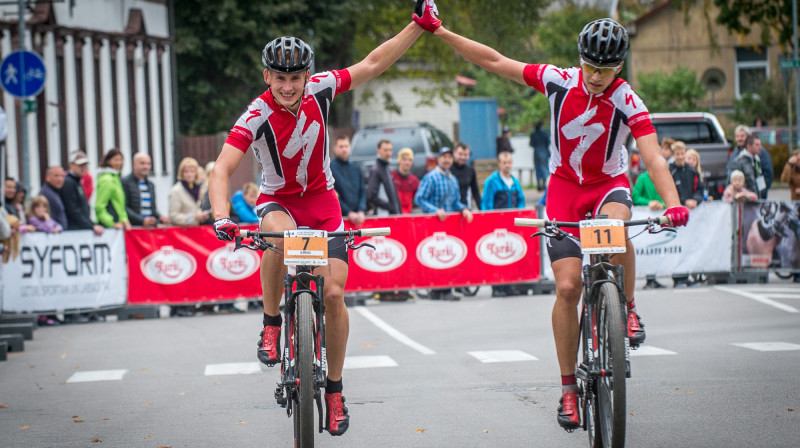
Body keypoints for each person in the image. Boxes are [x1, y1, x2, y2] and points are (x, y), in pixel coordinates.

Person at [420, 10, 688, 431]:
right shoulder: (557, 80)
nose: (596, 76)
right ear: (579, 58)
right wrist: (440, 30)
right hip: (564, 189)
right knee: (567, 287)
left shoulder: (628, 99)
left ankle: (629, 308)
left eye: (606, 69)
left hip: (607, 186)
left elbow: (652, 156)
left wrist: (673, 203)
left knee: (616, 230)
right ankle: (567, 389)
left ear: (619, 66)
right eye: (590, 66)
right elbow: (494, 61)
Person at [208, 16, 429, 436]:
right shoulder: (256, 113)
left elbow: (373, 62)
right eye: (279, 78)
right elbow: (221, 169)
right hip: (280, 200)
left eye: (295, 77)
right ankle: (272, 323)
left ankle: (334, 390)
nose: (287, 86)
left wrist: (418, 25)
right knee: (275, 236)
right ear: (266, 76)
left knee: (334, 293)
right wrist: (221, 216)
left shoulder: (323, 89)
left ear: (307, 75)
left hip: (324, 202)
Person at [414, 146, 473, 301]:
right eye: (443, 157)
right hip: (433, 224)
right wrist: (435, 210)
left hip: (449, 225)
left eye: (449, 157)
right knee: (434, 255)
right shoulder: (431, 177)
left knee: (447, 254)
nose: (446, 160)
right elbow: (419, 198)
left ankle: (446, 288)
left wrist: (464, 209)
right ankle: (437, 289)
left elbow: (455, 202)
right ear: (438, 159)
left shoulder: (452, 179)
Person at [481, 151, 525, 297]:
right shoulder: (492, 181)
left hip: (511, 224)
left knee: (510, 254)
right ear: (499, 164)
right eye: (504, 163)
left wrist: (518, 215)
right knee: (496, 255)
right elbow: (486, 203)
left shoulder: (514, 181)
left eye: (509, 162)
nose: (507, 165)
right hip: (496, 224)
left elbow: (521, 201)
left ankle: (509, 285)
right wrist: (489, 220)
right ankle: (497, 286)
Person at [631, 165, 667, 290]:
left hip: (659, 217)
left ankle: (654, 276)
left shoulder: (662, 178)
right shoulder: (642, 178)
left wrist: (661, 204)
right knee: (648, 246)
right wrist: (648, 203)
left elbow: (667, 195)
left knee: (658, 247)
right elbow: (635, 196)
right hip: (647, 219)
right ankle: (649, 278)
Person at [60, 151, 104, 236]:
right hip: (73, 231)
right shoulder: (68, 182)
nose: (83, 168)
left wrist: (92, 224)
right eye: (80, 165)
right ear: (71, 165)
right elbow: (73, 210)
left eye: (85, 165)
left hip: (79, 229)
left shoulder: (77, 181)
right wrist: (91, 226)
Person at [122, 152, 170, 228]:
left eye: (148, 164)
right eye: (142, 163)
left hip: (149, 229)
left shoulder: (151, 185)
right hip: (133, 229)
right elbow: (123, 207)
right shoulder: (125, 182)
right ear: (134, 164)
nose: (146, 166)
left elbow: (153, 209)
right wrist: (142, 220)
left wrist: (160, 217)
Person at [330, 135, 367, 225]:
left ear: (350, 147)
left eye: (346, 146)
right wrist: (348, 212)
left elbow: (362, 191)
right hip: (340, 219)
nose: (344, 149)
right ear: (334, 148)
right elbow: (332, 194)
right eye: (341, 147)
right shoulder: (330, 168)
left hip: (358, 217)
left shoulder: (355, 167)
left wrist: (361, 210)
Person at [95, 148, 132, 230]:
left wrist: (124, 220)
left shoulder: (116, 178)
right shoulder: (107, 179)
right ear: (108, 161)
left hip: (118, 225)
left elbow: (120, 205)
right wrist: (111, 223)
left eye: (120, 160)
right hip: (108, 227)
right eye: (115, 160)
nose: (119, 163)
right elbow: (99, 206)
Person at [169, 157, 209, 226]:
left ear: (196, 173)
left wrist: (202, 216)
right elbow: (173, 216)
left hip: (195, 230)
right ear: (182, 173)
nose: (189, 174)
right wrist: (193, 217)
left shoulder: (196, 189)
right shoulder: (176, 190)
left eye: (192, 171)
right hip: (181, 232)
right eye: (186, 172)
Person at [366, 139, 402, 215]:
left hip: (393, 215)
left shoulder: (386, 168)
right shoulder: (376, 170)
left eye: (390, 150)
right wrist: (390, 207)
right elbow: (371, 196)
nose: (389, 153)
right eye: (385, 150)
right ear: (378, 151)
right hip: (384, 216)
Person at [728, 135, 768, 200]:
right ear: (749, 146)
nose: (760, 147)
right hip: (744, 202)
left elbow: (760, 179)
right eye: (757, 145)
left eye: (760, 144)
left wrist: (762, 196)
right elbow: (731, 183)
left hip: (756, 200)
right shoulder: (739, 161)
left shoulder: (757, 160)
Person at [669, 141, 704, 211]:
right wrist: (685, 201)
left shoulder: (693, 171)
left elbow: (699, 189)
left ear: (685, 153)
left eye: (682, 153)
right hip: (677, 209)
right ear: (673, 155)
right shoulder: (670, 172)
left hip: (693, 210)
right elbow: (669, 192)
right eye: (677, 154)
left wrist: (695, 200)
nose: (680, 157)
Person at [451, 142, 481, 210]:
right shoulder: (448, 169)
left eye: (466, 155)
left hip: (465, 209)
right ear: (454, 153)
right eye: (460, 154)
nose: (463, 157)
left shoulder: (470, 170)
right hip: (450, 209)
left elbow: (475, 192)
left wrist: (481, 209)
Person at [391, 147, 420, 214]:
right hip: (394, 215)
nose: (407, 163)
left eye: (410, 160)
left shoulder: (414, 180)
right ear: (399, 161)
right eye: (404, 159)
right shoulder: (391, 176)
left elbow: (418, 200)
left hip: (407, 217)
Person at [39, 166, 68, 230]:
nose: (60, 179)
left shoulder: (56, 192)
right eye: (56, 176)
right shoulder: (47, 194)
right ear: (47, 177)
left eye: (62, 176)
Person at [530, 120, 550, 191]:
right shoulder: (545, 133)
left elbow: (531, 144)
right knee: (545, 168)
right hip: (544, 152)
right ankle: (545, 185)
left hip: (536, 152)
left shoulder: (533, 134)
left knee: (537, 168)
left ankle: (539, 184)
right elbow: (548, 142)